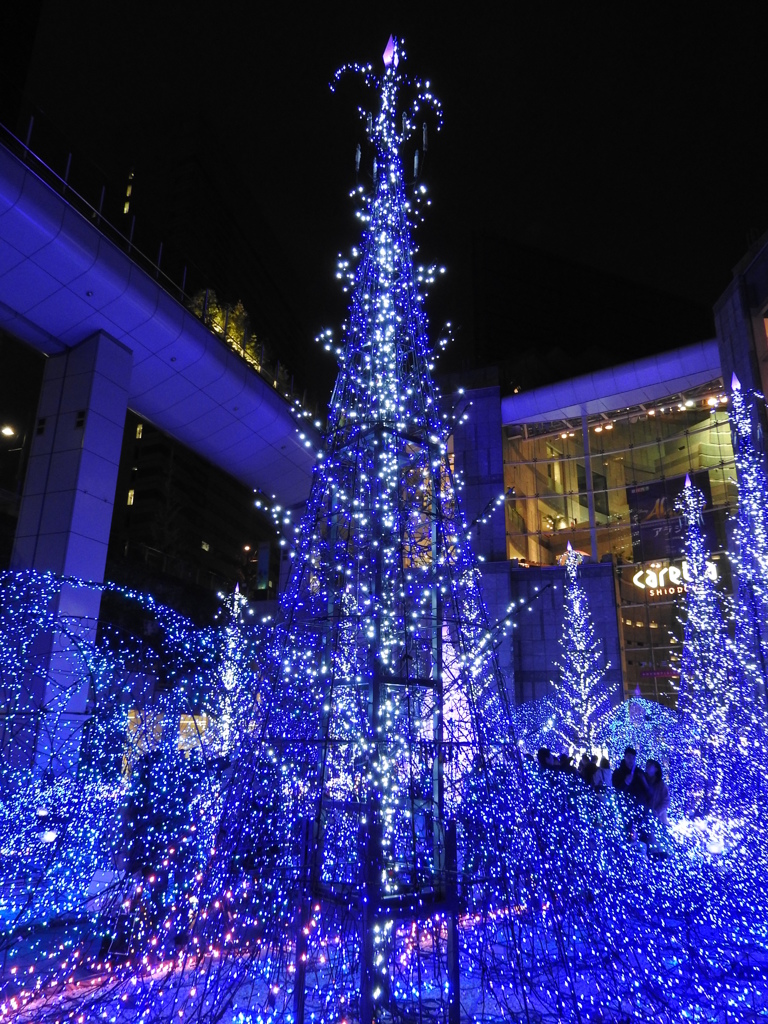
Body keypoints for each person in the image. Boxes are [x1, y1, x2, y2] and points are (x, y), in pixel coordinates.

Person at [644, 758, 670, 824]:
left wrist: (657, 812)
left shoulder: (661, 785)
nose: (647, 767)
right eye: (647, 765)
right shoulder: (643, 780)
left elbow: (666, 801)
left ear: (656, 769)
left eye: (650, 765)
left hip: (658, 819)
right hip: (645, 816)